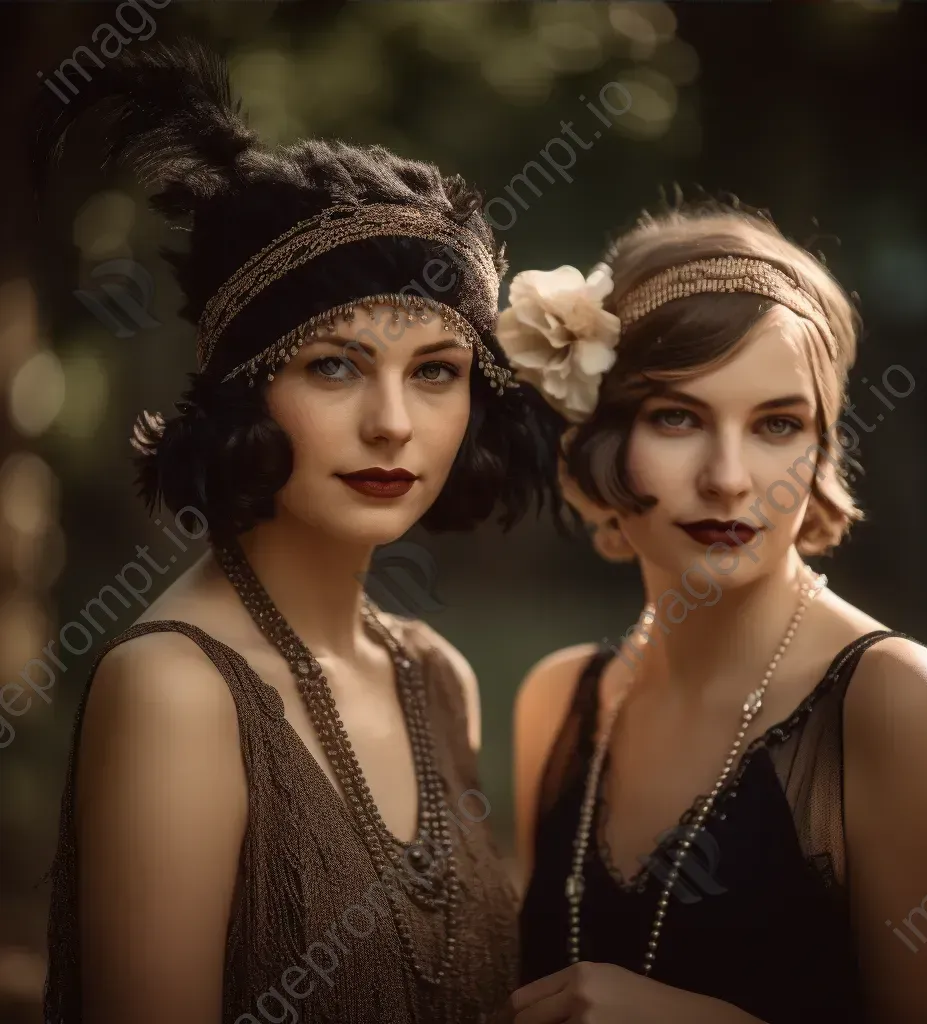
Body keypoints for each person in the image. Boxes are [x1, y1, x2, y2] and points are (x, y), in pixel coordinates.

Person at [35, 41, 560, 1024]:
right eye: (333, 365)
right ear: (245, 386)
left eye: (437, 370)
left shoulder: (436, 678)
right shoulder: (176, 690)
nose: (393, 421)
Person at [497, 198, 927, 1023]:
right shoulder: (557, 703)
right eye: (676, 417)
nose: (730, 477)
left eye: (776, 423)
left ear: (822, 447)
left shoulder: (894, 701)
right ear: (595, 439)